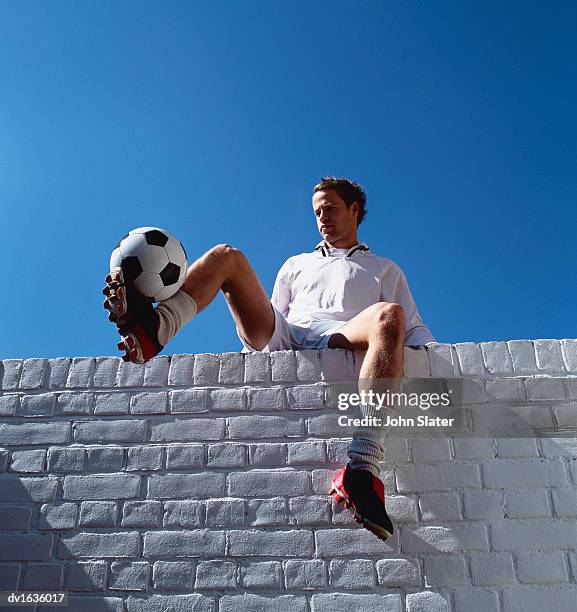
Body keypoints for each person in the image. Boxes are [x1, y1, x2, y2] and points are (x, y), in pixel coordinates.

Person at [102, 177, 435, 541]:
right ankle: (157, 326)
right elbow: (273, 316)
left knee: (390, 315)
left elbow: (415, 334)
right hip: (288, 335)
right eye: (317, 212)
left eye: (331, 209)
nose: (322, 218)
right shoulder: (297, 264)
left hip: (346, 334)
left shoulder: (384, 268)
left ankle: (362, 466)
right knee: (226, 256)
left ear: (354, 210)